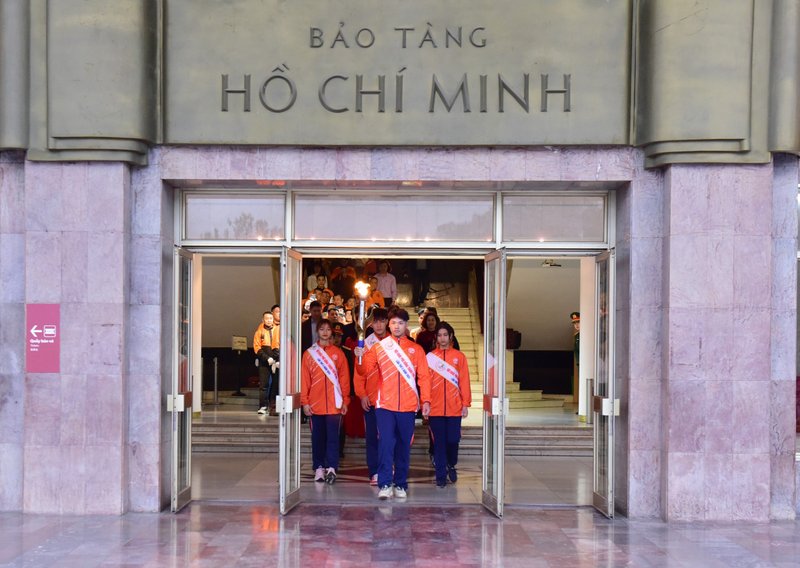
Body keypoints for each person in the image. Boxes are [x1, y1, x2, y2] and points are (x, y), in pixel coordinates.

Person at [356, 307, 432, 500]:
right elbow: (364, 370)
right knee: (386, 443)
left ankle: (400, 484)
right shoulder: (380, 347)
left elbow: (424, 377)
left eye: (400, 323)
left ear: (406, 325)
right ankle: (385, 483)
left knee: (404, 446)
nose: (396, 326)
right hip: (385, 405)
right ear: (389, 325)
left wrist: (426, 400)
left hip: (408, 405)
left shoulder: (416, 349)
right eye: (393, 323)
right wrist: (359, 356)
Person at [300, 319, 350, 484]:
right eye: (322, 329)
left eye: (328, 330)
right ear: (318, 332)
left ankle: (332, 468)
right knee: (317, 438)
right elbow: (304, 380)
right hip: (315, 404)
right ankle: (319, 467)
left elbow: (344, 379)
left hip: (335, 404)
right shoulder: (309, 354)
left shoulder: (339, 353)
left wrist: (345, 400)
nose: (325, 332)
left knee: (333, 438)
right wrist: (305, 402)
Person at [427, 322, 471, 487]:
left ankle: (450, 463)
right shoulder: (430, 357)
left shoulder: (459, 357)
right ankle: (440, 475)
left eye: (445, 335)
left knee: (453, 440)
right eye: (439, 335)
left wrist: (465, 403)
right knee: (438, 442)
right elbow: (425, 383)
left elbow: (464, 381)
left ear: (451, 336)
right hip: (435, 408)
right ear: (436, 338)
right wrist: (425, 402)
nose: (442, 338)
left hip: (454, 408)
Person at [351, 307, 389, 485]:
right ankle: (374, 471)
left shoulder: (394, 342)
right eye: (376, 321)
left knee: (389, 436)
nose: (379, 325)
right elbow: (359, 375)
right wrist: (362, 395)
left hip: (391, 399)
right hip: (372, 400)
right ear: (370, 324)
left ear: (387, 322)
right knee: (373, 436)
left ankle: (388, 467)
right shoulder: (364, 344)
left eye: (382, 321)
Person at [331, 321, 358, 458]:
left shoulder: (346, 352)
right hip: (328, 393)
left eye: (339, 336)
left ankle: (339, 449)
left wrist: (351, 392)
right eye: (334, 336)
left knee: (341, 423)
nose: (336, 339)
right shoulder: (322, 353)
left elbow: (351, 373)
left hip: (342, 392)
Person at [253, 311, 280, 415]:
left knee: (276, 384)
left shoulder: (278, 330)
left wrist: (276, 360)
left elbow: (279, 345)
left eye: (270, 318)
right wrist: (267, 358)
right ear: (263, 320)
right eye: (267, 318)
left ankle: (273, 406)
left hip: (276, 360)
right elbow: (257, 348)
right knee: (264, 385)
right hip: (264, 361)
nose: (269, 320)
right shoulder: (259, 331)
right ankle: (263, 406)